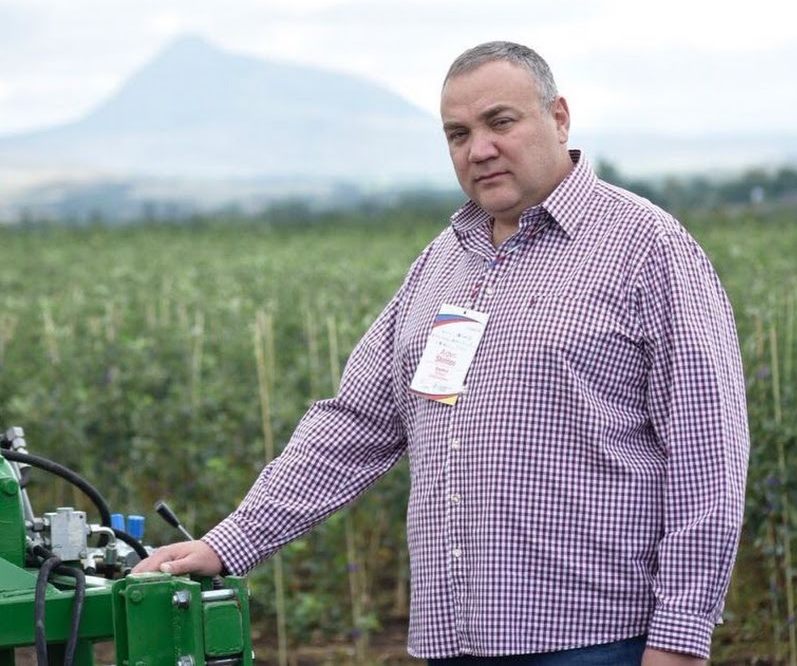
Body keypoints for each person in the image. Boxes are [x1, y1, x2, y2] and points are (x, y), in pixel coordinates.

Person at [134, 41, 750, 665]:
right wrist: (231, 542)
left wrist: (678, 643)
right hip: (453, 643)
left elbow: (709, 464)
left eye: (500, 123)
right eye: (458, 133)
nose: (478, 149)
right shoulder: (441, 264)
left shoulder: (648, 249)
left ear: (559, 117)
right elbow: (356, 423)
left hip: (596, 641)